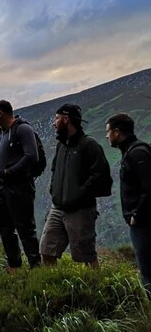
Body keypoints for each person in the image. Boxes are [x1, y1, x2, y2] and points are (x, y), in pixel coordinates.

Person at [40, 104, 112, 269]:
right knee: (47, 250)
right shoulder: (61, 145)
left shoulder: (89, 145)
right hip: (57, 208)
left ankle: (96, 288)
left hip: (81, 210)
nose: (54, 122)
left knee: (86, 255)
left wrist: (80, 194)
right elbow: (54, 169)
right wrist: (54, 189)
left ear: (66, 120)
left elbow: (100, 176)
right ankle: (52, 289)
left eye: (57, 118)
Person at [0, 100, 41, 270]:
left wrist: (9, 172)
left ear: (1, 113)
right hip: (2, 186)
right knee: (4, 228)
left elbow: (32, 156)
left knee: (25, 227)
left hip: (20, 185)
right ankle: (14, 265)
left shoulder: (22, 128)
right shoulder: (1, 133)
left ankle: (35, 266)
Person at [105, 113, 151, 296]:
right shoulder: (131, 152)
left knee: (148, 271)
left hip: (144, 223)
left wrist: (136, 216)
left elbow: (149, 188)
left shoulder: (138, 153)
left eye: (108, 131)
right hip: (142, 222)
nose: (107, 136)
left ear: (117, 132)